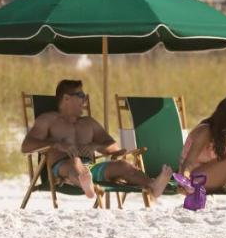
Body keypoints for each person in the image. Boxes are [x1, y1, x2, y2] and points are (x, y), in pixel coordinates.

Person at [21, 79, 171, 201]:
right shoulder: (48, 120)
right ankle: (85, 184)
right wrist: (56, 144)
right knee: (75, 162)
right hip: (61, 170)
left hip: (90, 170)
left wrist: (95, 146)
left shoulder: (88, 123)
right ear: (66, 98)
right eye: (80, 95)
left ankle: (153, 186)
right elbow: (26, 146)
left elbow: (115, 149)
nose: (84, 99)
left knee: (124, 165)